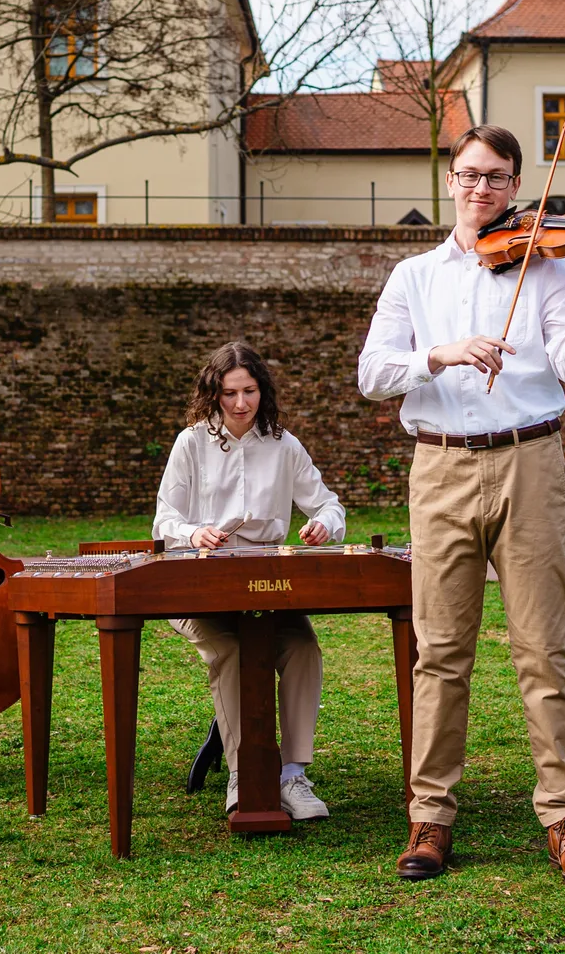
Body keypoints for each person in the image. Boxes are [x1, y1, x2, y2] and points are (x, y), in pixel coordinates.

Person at [358, 124, 565, 884]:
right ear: (451, 180)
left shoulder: (546, 270)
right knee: (440, 652)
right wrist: (439, 354)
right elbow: (372, 373)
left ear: (518, 188)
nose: (482, 189)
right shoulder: (413, 275)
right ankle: (430, 818)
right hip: (441, 467)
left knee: (543, 649)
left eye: (498, 178)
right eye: (470, 175)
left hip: (530, 461)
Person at [153, 341, 347, 822]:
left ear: (263, 390)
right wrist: (194, 531)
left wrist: (326, 525)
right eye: (230, 393)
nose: (241, 404)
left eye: (250, 391)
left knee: (302, 648)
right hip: (198, 583)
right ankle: (244, 773)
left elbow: (329, 504)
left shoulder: (284, 444)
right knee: (235, 651)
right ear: (213, 394)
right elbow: (164, 520)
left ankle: (291, 775)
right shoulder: (192, 442)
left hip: (269, 590)